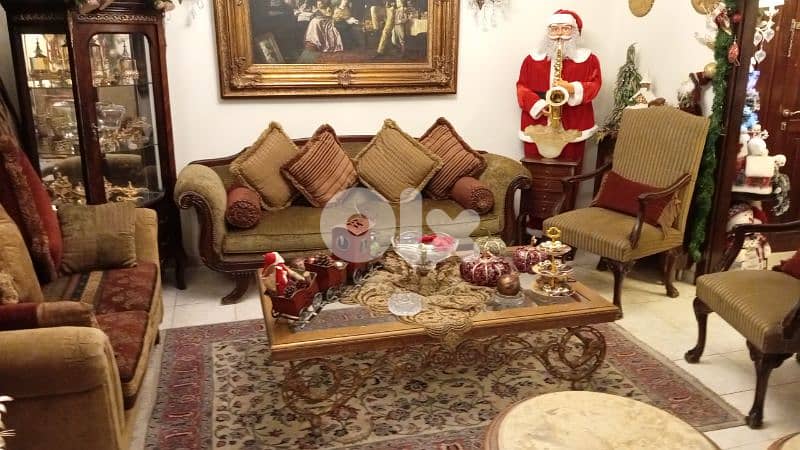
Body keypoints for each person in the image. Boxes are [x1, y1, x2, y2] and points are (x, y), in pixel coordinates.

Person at [516, 9, 602, 160]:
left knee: (570, 166)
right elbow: (522, 87)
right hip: (538, 121)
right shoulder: (531, 59)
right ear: (548, 31)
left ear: (574, 31)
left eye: (565, 29)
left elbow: (595, 85)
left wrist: (572, 88)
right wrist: (538, 105)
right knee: (534, 166)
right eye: (554, 29)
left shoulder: (589, 59)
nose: (560, 34)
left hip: (573, 121)